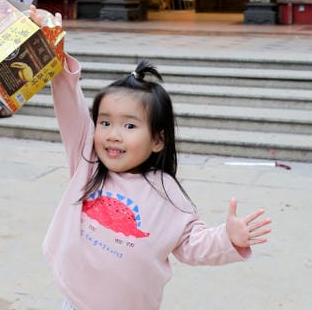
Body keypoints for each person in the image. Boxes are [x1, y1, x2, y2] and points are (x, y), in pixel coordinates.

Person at [45, 37, 272, 310]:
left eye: (129, 126)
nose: (113, 135)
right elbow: (70, 107)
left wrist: (227, 237)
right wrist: (58, 63)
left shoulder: (167, 193)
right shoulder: (88, 162)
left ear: (158, 140)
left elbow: (191, 244)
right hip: (76, 303)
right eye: (105, 122)